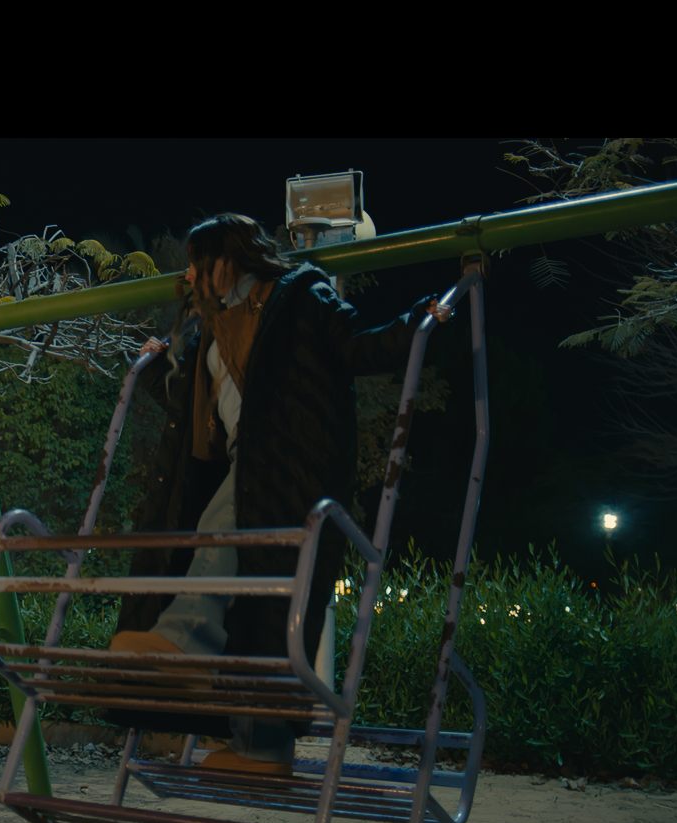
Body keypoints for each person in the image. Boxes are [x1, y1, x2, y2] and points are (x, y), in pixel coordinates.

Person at [109, 213, 450, 775]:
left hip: (288, 458)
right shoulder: (214, 324)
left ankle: (185, 639)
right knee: (262, 606)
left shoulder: (298, 294)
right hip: (246, 458)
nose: (189, 276)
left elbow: (354, 347)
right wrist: (155, 368)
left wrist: (420, 322)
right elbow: (192, 405)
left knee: (217, 536)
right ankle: (261, 745)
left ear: (227, 260)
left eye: (197, 263)